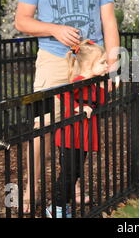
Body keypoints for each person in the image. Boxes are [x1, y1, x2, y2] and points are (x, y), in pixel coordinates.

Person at [14, 0, 119, 213]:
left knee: (77, 128)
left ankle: (68, 184)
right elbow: (21, 21)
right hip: (52, 62)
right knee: (42, 128)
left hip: (89, 63)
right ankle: (30, 188)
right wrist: (54, 29)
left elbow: (109, 22)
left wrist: (111, 65)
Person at [46, 39, 108, 218]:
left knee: (76, 173)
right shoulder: (79, 81)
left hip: (83, 137)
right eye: (102, 62)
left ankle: (62, 205)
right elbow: (62, 93)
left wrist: (102, 87)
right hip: (70, 136)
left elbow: (100, 104)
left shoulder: (93, 83)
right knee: (68, 174)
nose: (106, 65)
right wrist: (78, 107)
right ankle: (55, 208)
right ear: (89, 64)